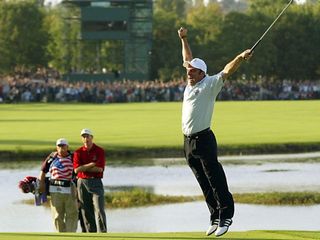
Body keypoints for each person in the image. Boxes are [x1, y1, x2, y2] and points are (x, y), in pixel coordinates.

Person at [178, 27, 252, 237]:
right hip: (188, 142)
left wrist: (239, 57)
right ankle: (214, 216)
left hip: (204, 139)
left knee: (215, 178)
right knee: (202, 180)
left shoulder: (210, 83)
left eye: (193, 70)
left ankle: (226, 216)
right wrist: (184, 38)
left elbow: (227, 70)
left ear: (202, 73)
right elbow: (187, 57)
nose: (189, 72)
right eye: (188, 70)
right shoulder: (190, 84)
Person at [38, 138, 78, 232]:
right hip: (55, 188)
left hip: (70, 188)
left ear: (67, 147)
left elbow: (79, 173)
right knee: (57, 215)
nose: (61, 148)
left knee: (72, 213)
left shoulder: (73, 157)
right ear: (56, 147)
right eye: (59, 146)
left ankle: (70, 235)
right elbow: (43, 171)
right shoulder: (52, 157)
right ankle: (61, 235)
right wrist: (41, 185)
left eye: (63, 146)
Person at [73, 128, 107, 232]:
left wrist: (84, 167)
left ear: (92, 137)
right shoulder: (78, 152)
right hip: (82, 182)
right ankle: (91, 234)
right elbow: (76, 170)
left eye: (87, 136)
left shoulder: (99, 150)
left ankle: (103, 232)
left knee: (99, 208)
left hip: (96, 182)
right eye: (83, 136)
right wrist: (92, 164)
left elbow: (100, 169)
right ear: (81, 139)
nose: (86, 138)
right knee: (86, 210)